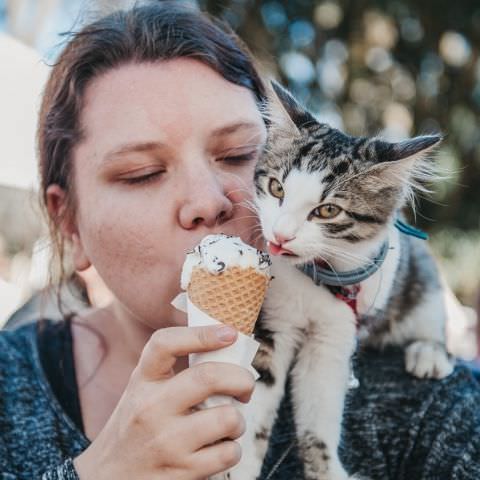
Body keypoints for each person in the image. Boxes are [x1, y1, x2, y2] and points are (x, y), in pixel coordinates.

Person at [1, 2, 480, 479]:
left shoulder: (418, 400)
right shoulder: (11, 386)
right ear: (68, 224)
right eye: (142, 174)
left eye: (238, 154)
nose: (209, 201)